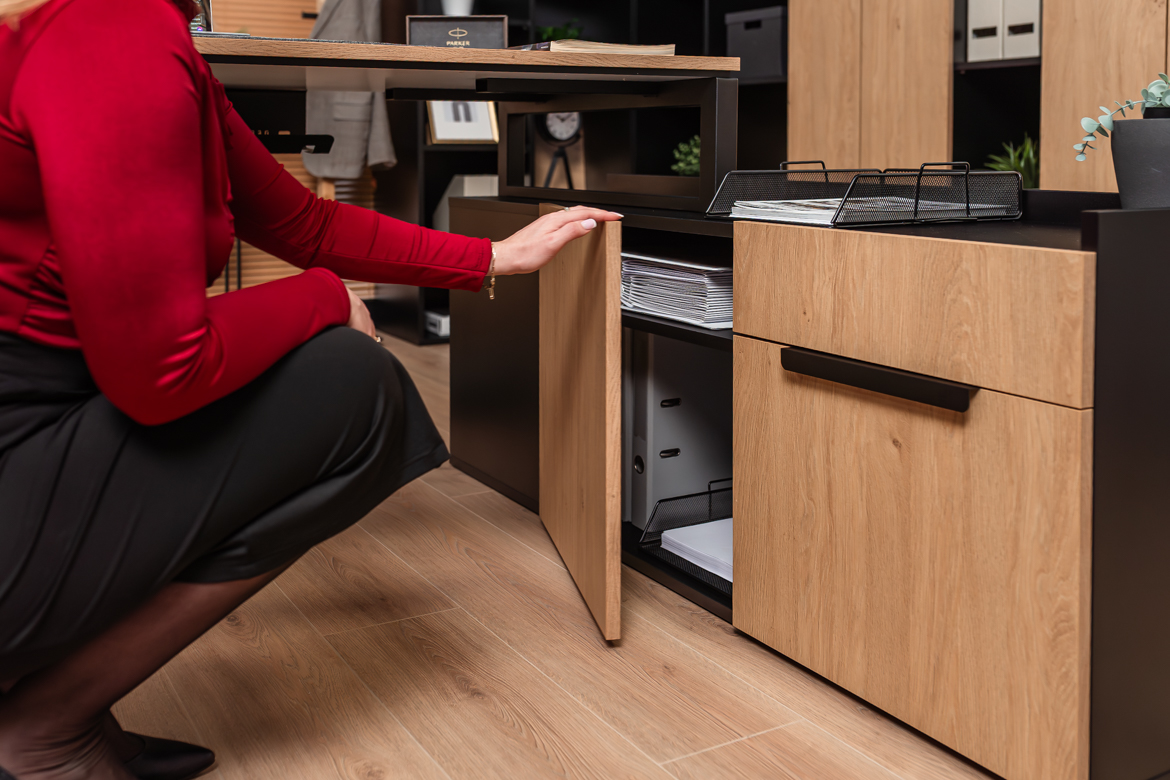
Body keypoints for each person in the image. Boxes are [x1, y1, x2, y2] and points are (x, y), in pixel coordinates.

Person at [0, 0, 621, 777]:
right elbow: (160, 373)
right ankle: (45, 728)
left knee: (328, 372)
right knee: (351, 385)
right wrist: (326, 299)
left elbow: (306, 226)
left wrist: (490, 257)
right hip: (19, 457)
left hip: (46, 432)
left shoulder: (139, 34)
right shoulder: (113, 30)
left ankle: (47, 698)